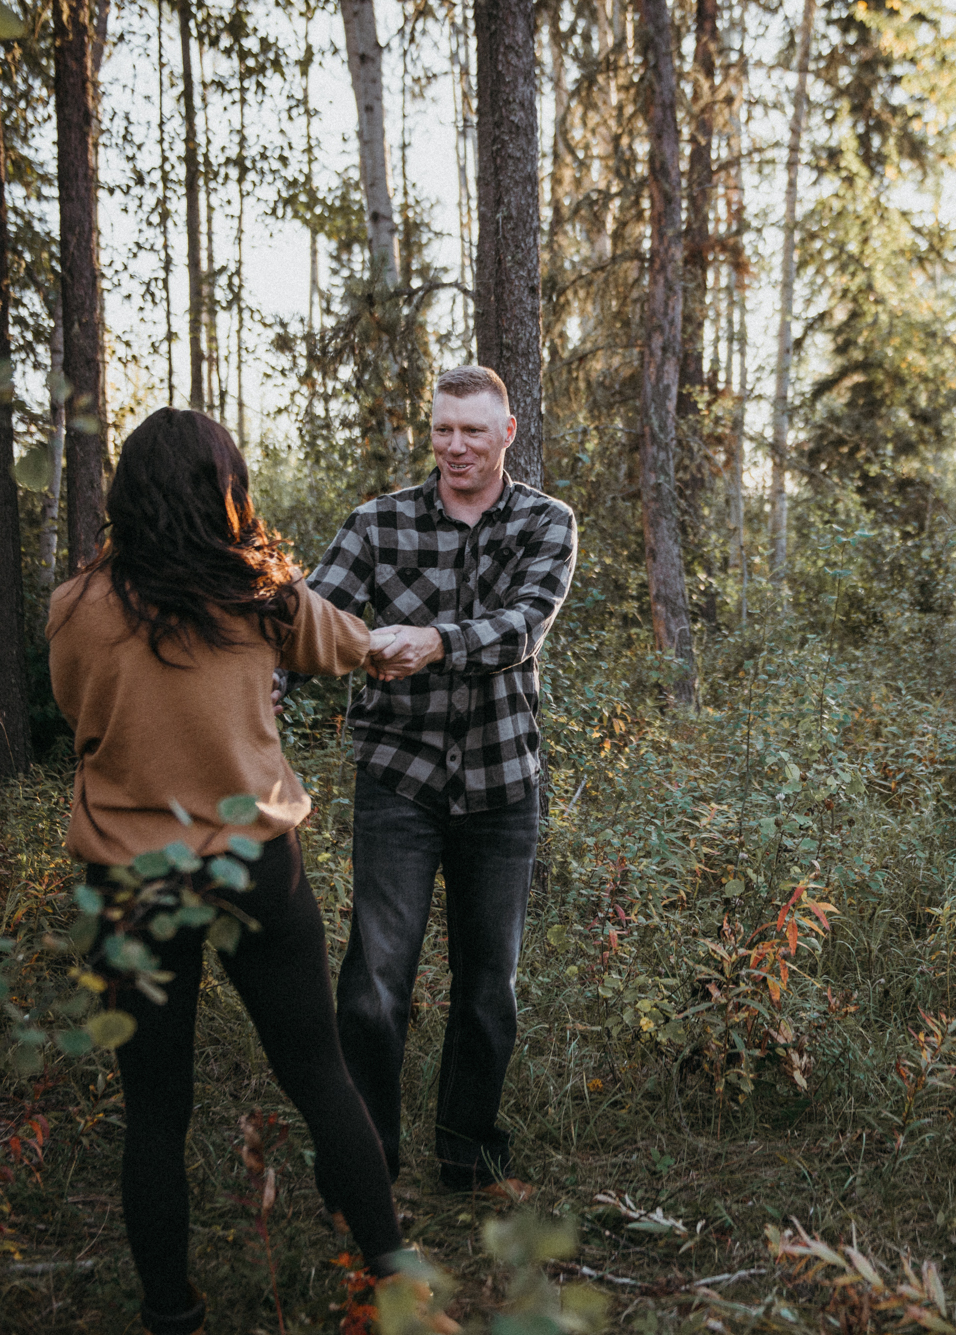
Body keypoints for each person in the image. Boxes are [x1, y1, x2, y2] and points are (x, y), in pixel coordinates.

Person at [47, 408, 456, 1335]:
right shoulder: (264, 596)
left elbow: (78, 712)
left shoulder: (76, 606)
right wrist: (384, 647)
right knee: (321, 1077)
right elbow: (355, 644)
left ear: (127, 492)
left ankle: (171, 1315)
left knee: (156, 1111)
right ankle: (402, 1293)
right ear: (225, 491)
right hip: (253, 867)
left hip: (130, 882)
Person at [295, 365, 577, 1194]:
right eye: (443, 429)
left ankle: (467, 1154)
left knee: (489, 989)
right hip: (399, 780)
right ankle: (366, 1163)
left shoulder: (545, 522)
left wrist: (438, 641)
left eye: (472, 431)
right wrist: (266, 677)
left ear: (507, 433)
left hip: (502, 784)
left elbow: (524, 625)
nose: (455, 446)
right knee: (373, 986)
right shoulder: (376, 523)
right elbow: (312, 620)